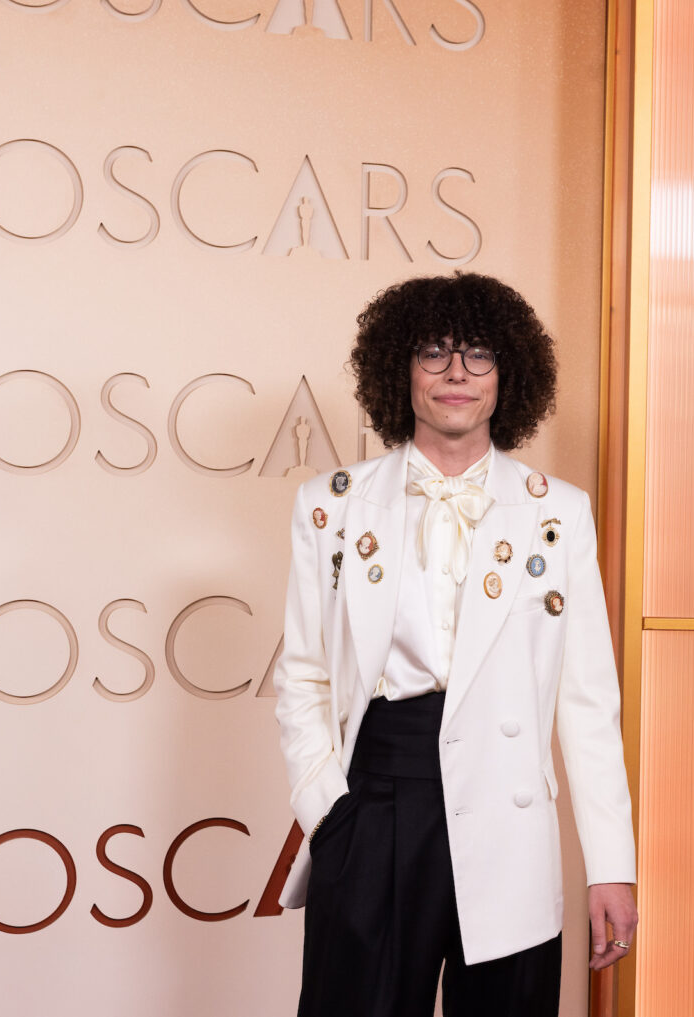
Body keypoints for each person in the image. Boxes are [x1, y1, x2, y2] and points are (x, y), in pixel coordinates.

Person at [272, 272, 637, 1016]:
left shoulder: (559, 514)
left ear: (509, 373)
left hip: (509, 816)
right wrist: (328, 815)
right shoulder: (330, 506)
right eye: (434, 353)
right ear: (398, 369)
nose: (457, 374)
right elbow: (304, 675)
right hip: (374, 805)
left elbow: (588, 700)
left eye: (478, 354)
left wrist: (612, 864)